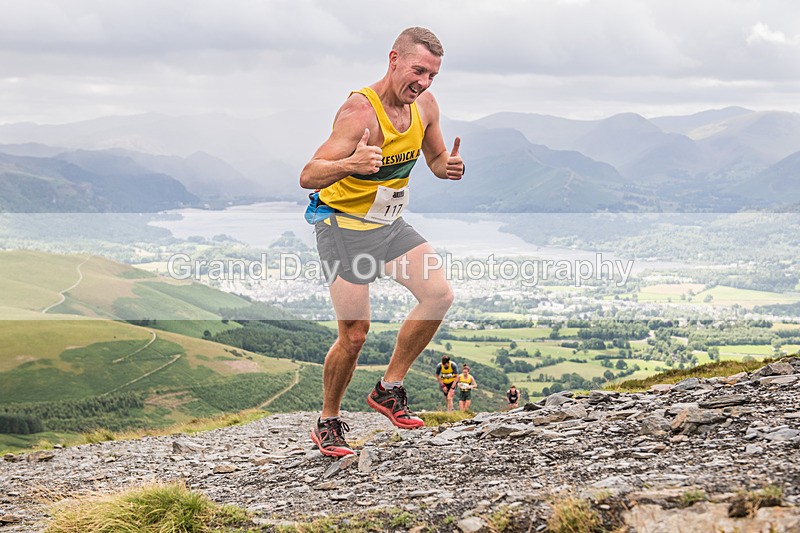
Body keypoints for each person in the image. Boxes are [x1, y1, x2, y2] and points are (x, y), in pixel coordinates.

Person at [299, 27, 465, 457]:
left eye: (432, 75)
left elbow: (434, 158)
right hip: (343, 227)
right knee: (355, 334)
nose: (424, 83)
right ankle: (328, 421)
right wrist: (351, 164)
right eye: (418, 71)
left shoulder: (425, 106)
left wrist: (448, 167)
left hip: (388, 224)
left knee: (439, 295)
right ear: (394, 60)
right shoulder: (360, 112)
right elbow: (308, 175)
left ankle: (388, 389)